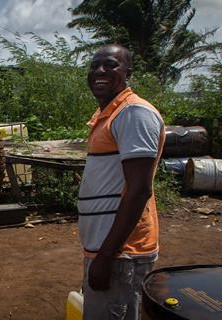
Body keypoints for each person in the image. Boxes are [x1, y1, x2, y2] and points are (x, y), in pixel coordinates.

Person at [77, 44, 165, 320]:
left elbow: (138, 191)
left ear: (128, 73)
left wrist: (106, 257)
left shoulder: (133, 114)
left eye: (110, 65)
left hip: (120, 254)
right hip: (107, 250)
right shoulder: (109, 114)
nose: (99, 71)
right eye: (94, 65)